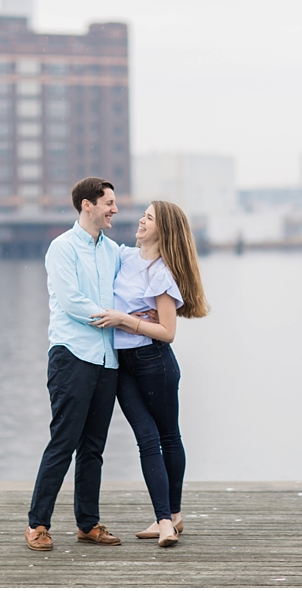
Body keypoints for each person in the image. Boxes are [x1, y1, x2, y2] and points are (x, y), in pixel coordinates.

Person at [91, 200, 210, 548]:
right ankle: (166, 520)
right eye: (143, 215)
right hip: (122, 364)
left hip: (154, 362)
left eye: (150, 218)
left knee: (168, 437)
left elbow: (168, 332)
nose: (141, 220)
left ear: (164, 229)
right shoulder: (125, 257)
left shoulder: (161, 273)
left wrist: (125, 320)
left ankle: (170, 518)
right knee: (146, 438)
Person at [26, 177, 124, 551]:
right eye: (108, 202)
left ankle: (88, 523)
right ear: (88, 204)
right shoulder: (62, 248)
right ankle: (37, 524)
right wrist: (116, 317)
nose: (114, 209)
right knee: (63, 442)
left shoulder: (113, 250)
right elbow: (70, 301)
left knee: (94, 447)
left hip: (107, 360)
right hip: (72, 355)